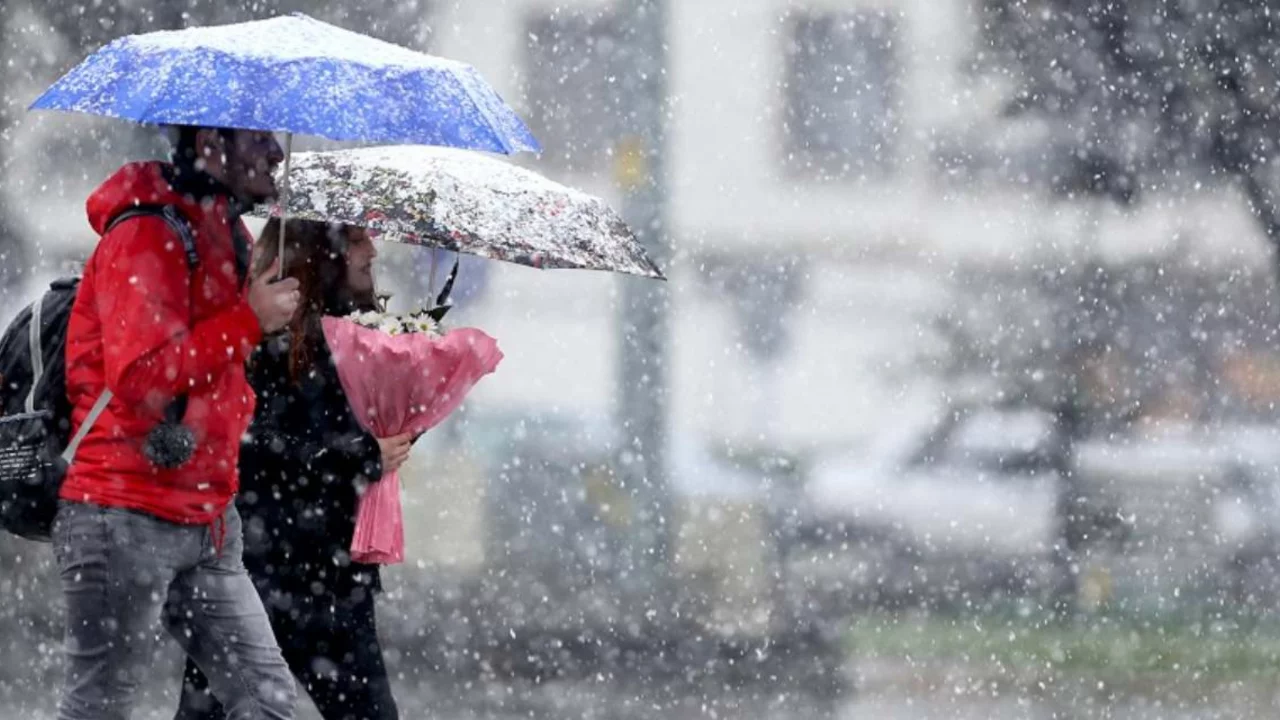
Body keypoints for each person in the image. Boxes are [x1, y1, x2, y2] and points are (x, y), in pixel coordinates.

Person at [56, 126, 301, 720]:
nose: (276, 152)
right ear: (210, 143)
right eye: (257, 138)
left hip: (208, 517)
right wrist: (247, 321)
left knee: (268, 703)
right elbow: (141, 376)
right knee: (101, 709)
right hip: (124, 512)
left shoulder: (224, 231)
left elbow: (219, 369)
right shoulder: (146, 232)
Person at [175, 218, 412, 720]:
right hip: (257, 573)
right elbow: (253, 446)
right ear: (320, 253)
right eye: (356, 239)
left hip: (335, 577)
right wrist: (358, 456)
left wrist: (402, 426)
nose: (372, 249)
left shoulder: (365, 334)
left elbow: (350, 440)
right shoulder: (264, 335)